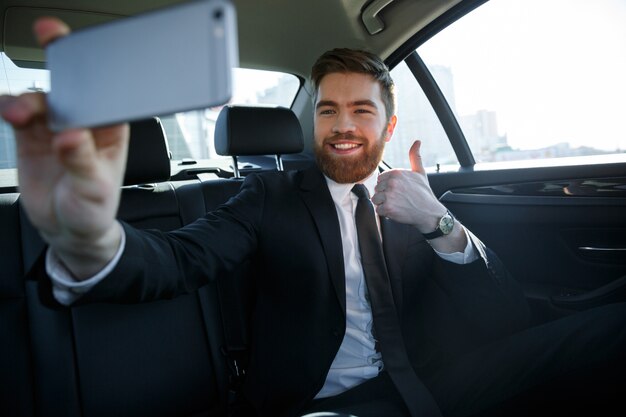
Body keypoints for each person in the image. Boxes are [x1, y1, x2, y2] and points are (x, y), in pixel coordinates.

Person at [2, 17, 624, 417]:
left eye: (361, 109)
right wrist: (91, 237)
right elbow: (180, 258)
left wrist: (440, 223)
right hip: (324, 401)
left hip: (436, 381)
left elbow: (504, 312)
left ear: (389, 124)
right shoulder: (270, 197)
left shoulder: (414, 195)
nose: (344, 125)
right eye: (328, 110)